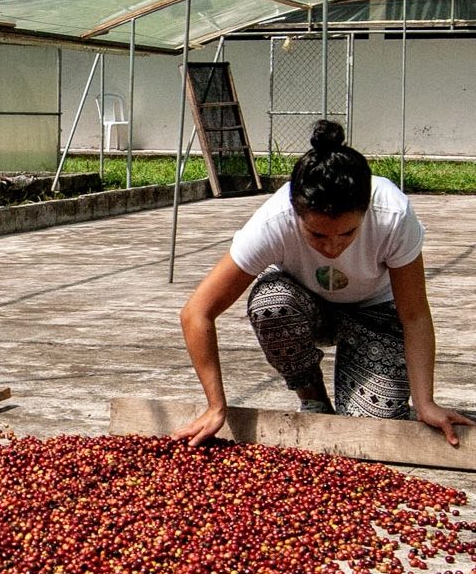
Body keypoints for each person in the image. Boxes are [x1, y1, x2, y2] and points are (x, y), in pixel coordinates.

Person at [174, 119, 472, 449]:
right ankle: (312, 396)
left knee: (368, 432)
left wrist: (425, 402)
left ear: (366, 210)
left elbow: (414, 316)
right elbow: (196, 313)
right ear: (295, 213)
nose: (332, 247)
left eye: (347, 234)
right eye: (316, 234)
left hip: (376, 313)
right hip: (307, 308)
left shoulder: (393, 214)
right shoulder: (273, 221)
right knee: (270, 301)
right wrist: (216, 407)